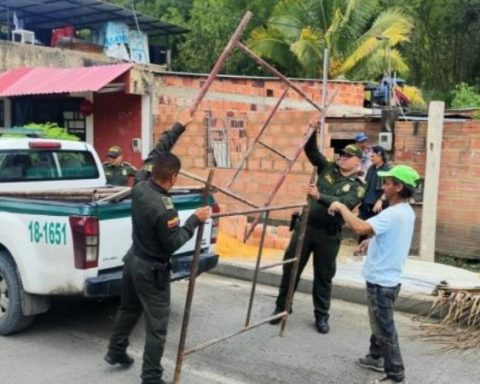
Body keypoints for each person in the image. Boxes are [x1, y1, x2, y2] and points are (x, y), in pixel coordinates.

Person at [104, 109, 212, 384]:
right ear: (173, 177)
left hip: (133, 261)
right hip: (151, 269)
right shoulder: (165, 208)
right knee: (157, 326)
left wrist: (179, 125)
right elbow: (172, 244)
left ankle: (116, 351)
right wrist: (194, 220)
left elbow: (158, 149)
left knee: (129, 309)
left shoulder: (140, 183)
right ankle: (151, 377)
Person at [270, 119, 366, 334]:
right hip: (306, 229)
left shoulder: (359, 186)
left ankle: (321, 316)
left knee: (323, 276)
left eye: (348, 156)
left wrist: (319, 195)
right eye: (342, 154)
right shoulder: (328, 168)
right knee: (290, 268)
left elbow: (345, 204)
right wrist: (312, 129)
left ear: (358, 162)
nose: (342, 158)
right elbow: (311, 151)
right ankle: (282, 307)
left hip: (328, 235)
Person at [328, 164, 420, 384]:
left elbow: (360, 227)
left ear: (398, 187)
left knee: (384, 328)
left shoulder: (392, 214)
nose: (383, 187)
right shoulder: (406, 212)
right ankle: (375, 357)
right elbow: (389, 236)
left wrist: (341, 207)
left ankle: (396, 375)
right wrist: (372, 241)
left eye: (387, 183)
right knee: (379, 321)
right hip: (389, 279)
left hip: (382, 281)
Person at [358, 145, 391, 243]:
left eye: (373, 156)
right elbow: (366, 183)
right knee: (363, 226)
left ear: (380, 156)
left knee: (376, 228)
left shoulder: (387, 169)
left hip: (378, 203)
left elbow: (388, 187)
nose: (371, 158)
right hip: (367, 202)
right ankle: (360, 248)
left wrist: (381, 200)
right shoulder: (371, 168)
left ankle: (374, 248)